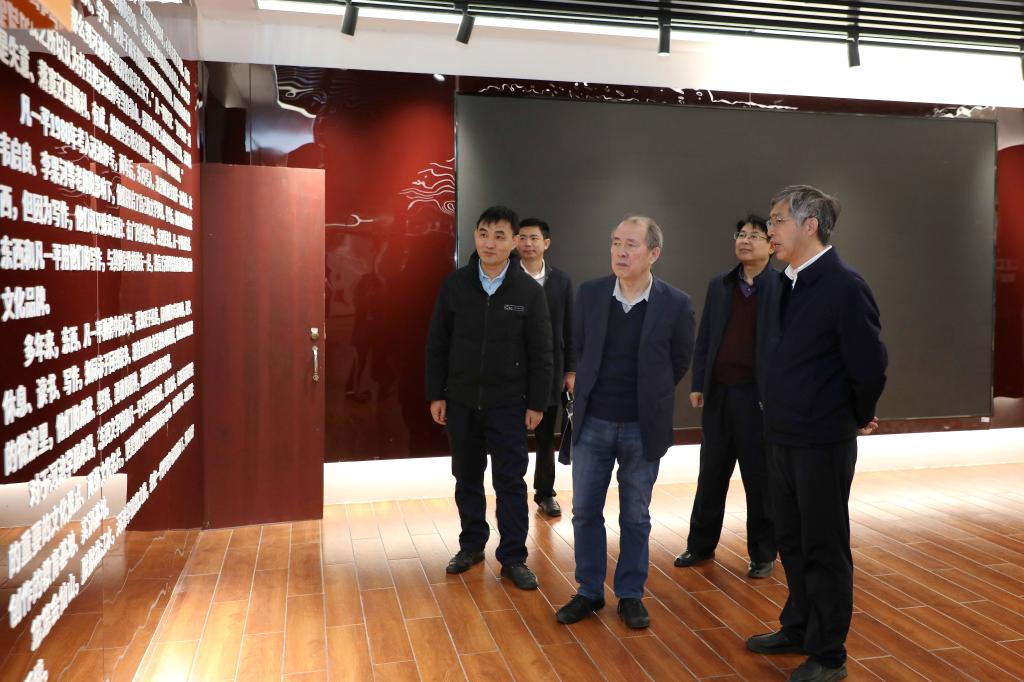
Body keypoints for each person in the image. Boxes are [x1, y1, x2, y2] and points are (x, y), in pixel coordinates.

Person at [746, 186, 887, 682]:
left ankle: (829, 654)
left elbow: (869, 365)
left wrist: (856, 414)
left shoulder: (844, 285)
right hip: (781, 434)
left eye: (777, 220)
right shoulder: (782, 283)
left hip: (822, 439)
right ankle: (799, 626)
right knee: (791, 539)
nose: (769, 230)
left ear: (810, 225)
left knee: (824, 546)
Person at [555, 216, 695, 629]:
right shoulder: (591, 294)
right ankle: (589, 590)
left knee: (636, 515)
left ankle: (631, 594)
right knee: (584, 511)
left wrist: (650, 395)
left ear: (654, 253)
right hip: (593, 422)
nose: (620, 251)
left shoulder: (676, 303)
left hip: (642, 426)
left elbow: (679, 361)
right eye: (616, 242)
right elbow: (581, 348)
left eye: (631, 244)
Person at [424, 205, 553, 590]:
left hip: (509, 403)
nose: (489, 243)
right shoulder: (455, 285)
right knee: (466, 477)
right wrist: (436, 393)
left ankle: (513, 557)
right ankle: (471, 545)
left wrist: (537, 403)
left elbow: (542, 352)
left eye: (499, 236)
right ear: (475, 237)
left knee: (510, 481)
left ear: (514, 242)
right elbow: (437, 344)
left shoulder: (528, 292)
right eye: (483, 234)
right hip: (461, 401)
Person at [674, 215, 779, 578]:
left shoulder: (782, 287)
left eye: (754, 236)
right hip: (719, 394)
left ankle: (763, 553)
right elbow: (705, 336)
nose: (745, 241)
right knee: (711, 473)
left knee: (760, 478)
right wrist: (698, 383)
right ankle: (700, 545)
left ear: (771, 245)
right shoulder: (720, 285)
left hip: (758, 398)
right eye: (741, 234)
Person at [516, 218, 575, 517]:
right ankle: (512, 493)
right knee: (512, 437)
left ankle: (544, 493)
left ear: (546, 243)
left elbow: (570, 328)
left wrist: (571, 370)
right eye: (522, 237)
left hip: (550, 369)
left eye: (534, 238)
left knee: (544, 437)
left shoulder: (561, 280)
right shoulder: (506, 276)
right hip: (513, 370)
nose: (528, 243)